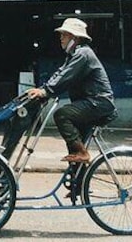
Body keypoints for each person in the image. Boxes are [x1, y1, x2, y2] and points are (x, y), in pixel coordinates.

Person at [26, 17, 117, 163]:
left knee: (62, 115)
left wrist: (46, 91)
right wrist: (43, 90)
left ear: (74, 37)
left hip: (97, 102)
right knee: (73, 152)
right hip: (90, 103)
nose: (61, 38)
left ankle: (82, 152)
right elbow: (60, 73)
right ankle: (78, 179)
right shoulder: (74, 55)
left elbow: (66, 76)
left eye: (64, 35)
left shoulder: (83, 54)